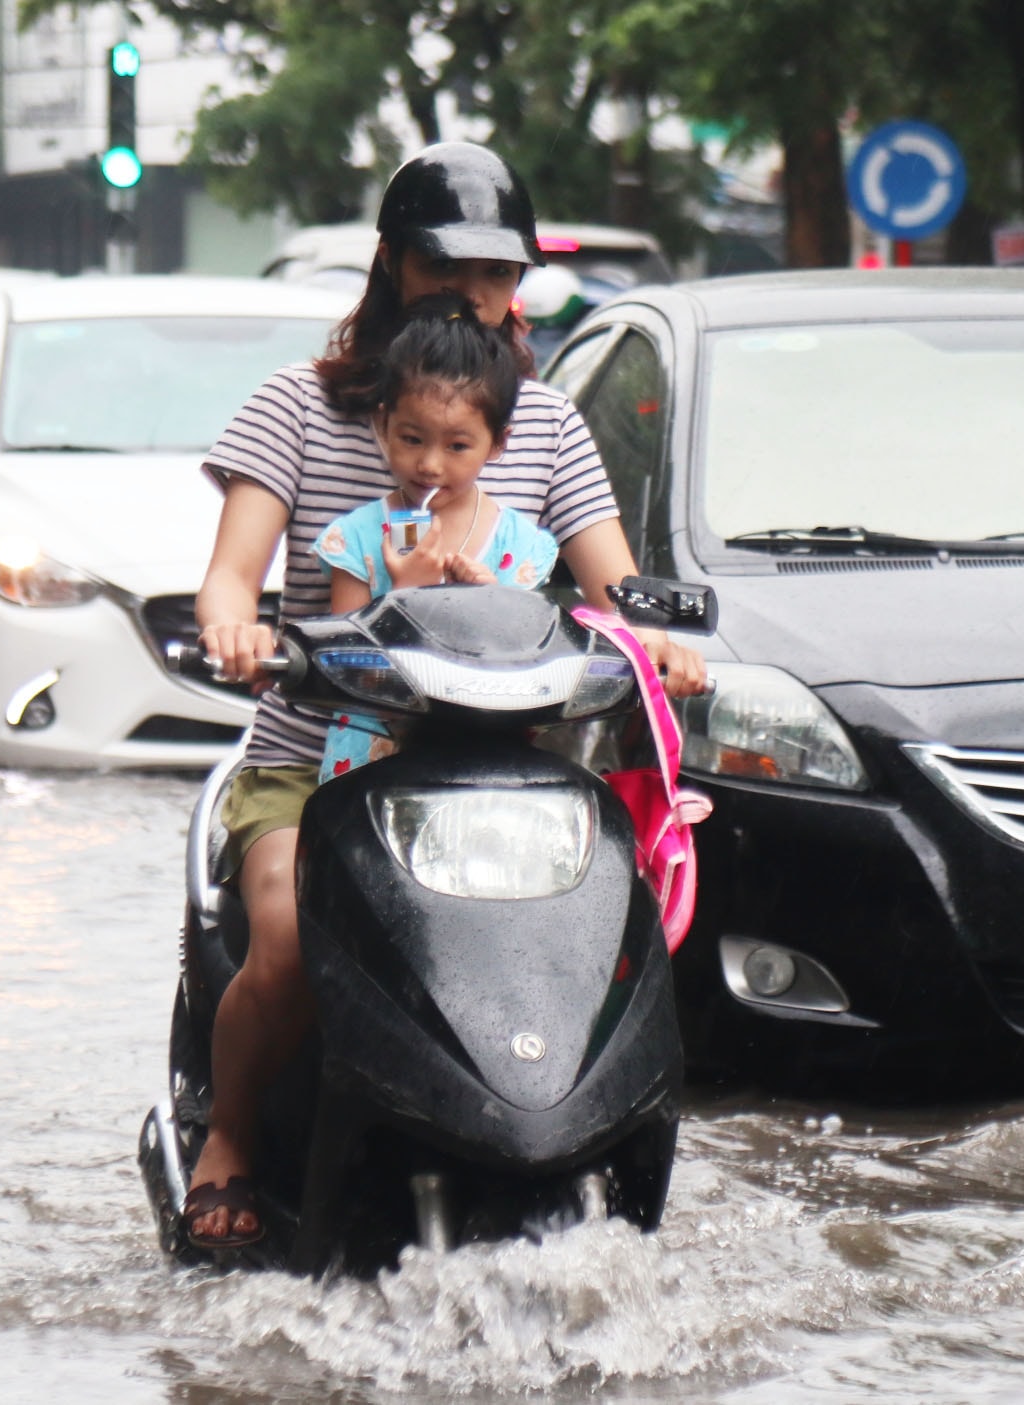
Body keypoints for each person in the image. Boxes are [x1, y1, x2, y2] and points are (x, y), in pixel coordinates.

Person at [183, 142, 707, 1249]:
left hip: (508, 783)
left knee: (615, 944)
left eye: (499, 272)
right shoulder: (296, 408)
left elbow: (618, 593)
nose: (475, 292)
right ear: (389, 265)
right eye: (446, 264)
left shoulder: (549, 426)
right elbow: (232, 572)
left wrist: (662, 646)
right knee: (283, 941)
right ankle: (228, 1134)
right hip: (316, 765)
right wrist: (237, 626)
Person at [314, 292, 558, 781]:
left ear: (498, 443)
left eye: (457, 446)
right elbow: (344, 670)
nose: (429, 464)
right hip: (372, 761)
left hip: (486, 762)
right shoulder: (358, 539)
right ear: (383, 424)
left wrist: (495, 605)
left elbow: (528, 670)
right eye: (412, 439)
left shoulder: (520, 547)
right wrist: (405, 598)